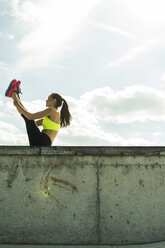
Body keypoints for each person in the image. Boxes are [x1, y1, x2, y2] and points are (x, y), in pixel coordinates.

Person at [5, 79, 72, 146]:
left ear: (54, 101)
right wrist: (19, 104)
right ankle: (15, 93)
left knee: (28, 117)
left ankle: (13, 92)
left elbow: (30, 117)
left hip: (42, 141)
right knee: (28, 117)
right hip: (43, 141)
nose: (46, 100)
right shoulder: (54, 115)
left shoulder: (52, 110)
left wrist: (18, 105)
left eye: (48, 99)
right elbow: (33, 122)